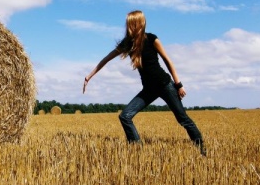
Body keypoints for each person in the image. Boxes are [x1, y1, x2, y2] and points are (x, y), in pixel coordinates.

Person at [83, 10, 206, 156]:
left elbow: (168, 61)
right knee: (125, 116)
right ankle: (137, 150)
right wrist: (88, 77)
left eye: (133, 23)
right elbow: (106, 59)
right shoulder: (127, 44)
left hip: (165, 85)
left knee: (182, 119)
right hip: (148, 89)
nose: (130, 26)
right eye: (129, 23)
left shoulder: (152, 39)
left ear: (140, 23)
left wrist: (178, 85)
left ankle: (202, 149)